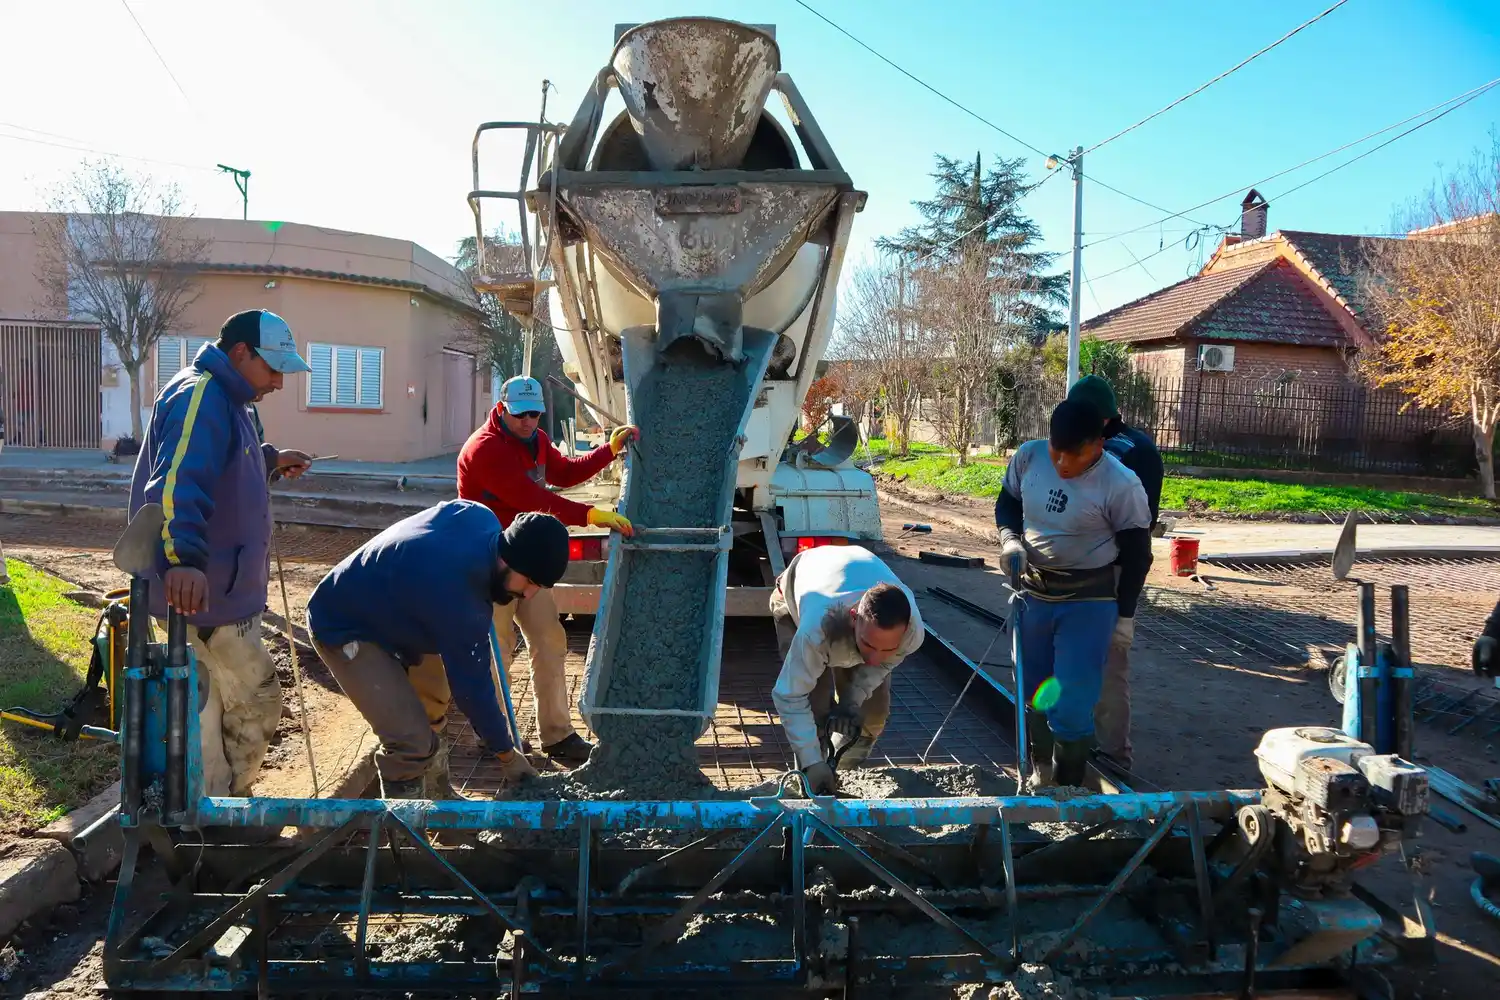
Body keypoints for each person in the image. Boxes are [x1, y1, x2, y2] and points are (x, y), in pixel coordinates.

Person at [128, 309, 314, 797]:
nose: (277, 381)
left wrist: (269, 460)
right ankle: (218, 812)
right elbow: (175, 484)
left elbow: (219, 459)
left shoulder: (230, 398)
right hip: (204, 594)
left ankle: (216, 807)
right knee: (246, 701)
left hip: (220, 593)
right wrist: (183, 562)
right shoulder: (202, 396)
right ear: (239, 353)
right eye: (272, 369)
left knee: (206, 705)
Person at [307, 501, 571, 798]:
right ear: (510, 559)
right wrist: (508, 756)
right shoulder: (460, 600)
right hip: (346, 624)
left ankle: (438, 795)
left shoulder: (479, 516)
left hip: (406, 607)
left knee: (433, 698)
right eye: (530, 582)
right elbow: (473, 689)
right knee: (410, 741)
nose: (528, 593)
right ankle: (408, 829)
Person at [455, 374, 638, 767]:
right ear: (502, 409)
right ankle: (495, 736)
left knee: (551, 641)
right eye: (520, 415)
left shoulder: (536, 441)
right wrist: (590, 514)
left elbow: (564, 473)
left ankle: (557, 736)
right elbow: (532, 497)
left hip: (527, 562)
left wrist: (608, 450)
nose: (528, 422)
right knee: (497, 650)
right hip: (487, 563)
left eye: (535, 414)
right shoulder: (484, 451)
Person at [994, 398, 1153, 788]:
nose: (1062, 463)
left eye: (1074, 454)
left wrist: (1126, 617)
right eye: (1056, 451)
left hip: (1088, 601)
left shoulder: (1120, 485)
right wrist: (1010, 540)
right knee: (1034, 692)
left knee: (1072, 702)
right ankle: (1040, 773)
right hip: (1033, 593)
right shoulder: (1030, 457)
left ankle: (1066, 790)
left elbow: (1137, 555)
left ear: (1097, 445)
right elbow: (1008, 502)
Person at [1066, 374, 1164, 771]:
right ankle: (1089, 739)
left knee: (1108, 665)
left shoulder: (1121, 454)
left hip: (1111, 571)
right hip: (1102, 566)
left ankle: (1112, 757)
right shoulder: (1140, 445)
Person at [770, 544, 926, 795]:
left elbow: (880, 665)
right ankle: (810, 778)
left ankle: (837, 771)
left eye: (887, 648)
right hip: (797, 595)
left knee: (872, 713)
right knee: (814, 708)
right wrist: (811, 761)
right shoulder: (817, 629)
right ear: (855, 618)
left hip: (847, 583)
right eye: (869, 645)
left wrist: (853, 699)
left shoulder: (912, 634)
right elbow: (790, 694)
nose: (874, 659)